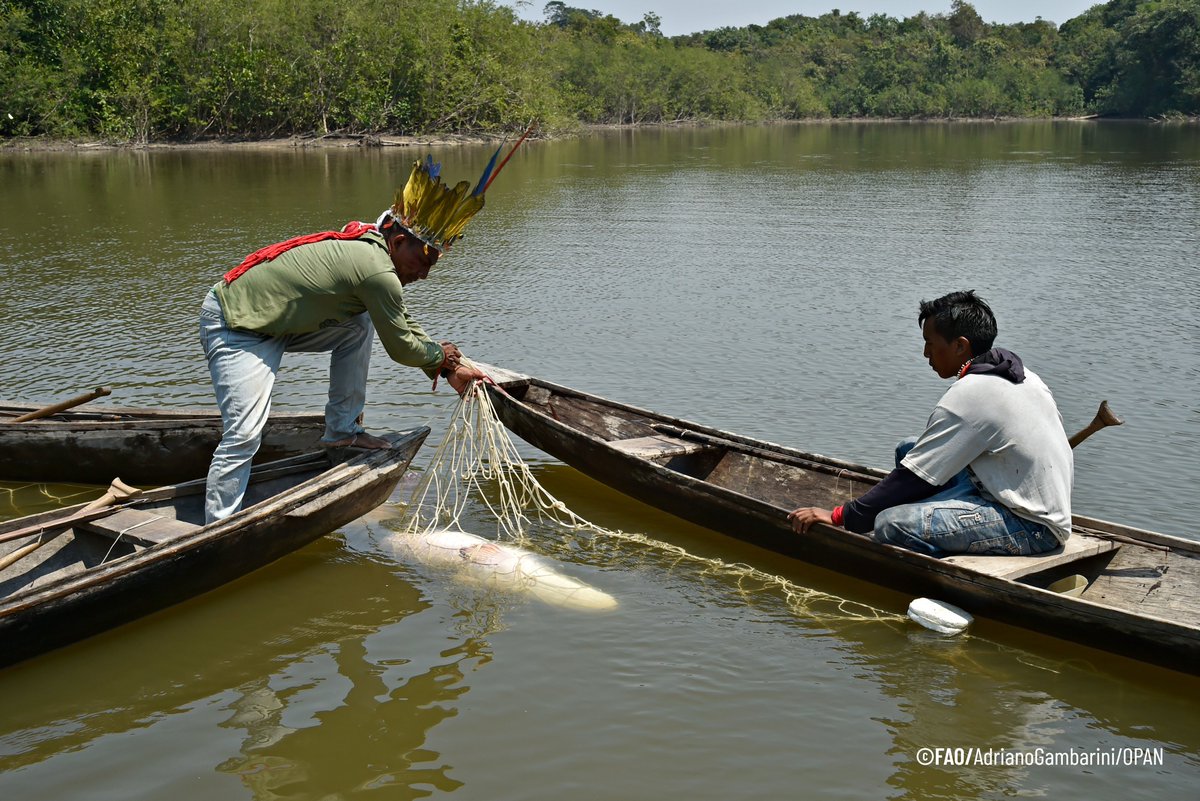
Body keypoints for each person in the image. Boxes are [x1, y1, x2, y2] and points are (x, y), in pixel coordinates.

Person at [199, 154, 502, 523]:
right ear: (399, 240)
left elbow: (399, 320)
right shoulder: (376, 270)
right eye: (422, 261)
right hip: (237, 324)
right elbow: (402, 346)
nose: (424, 273)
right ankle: (219, 524)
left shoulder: (375, 253)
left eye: (431, 265)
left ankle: (342, 432)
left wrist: (448, 368)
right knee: (245, 433)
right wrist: (440, 355)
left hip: (279, 323)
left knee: (358, 325)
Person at [788, 290, 1072, 557]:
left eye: (930, 344)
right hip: (1005, 490)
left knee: (889, 522)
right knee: (908, 450)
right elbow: (917, 467)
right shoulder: (1021, 375)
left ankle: (948, 567)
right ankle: (939, 519)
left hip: (1031, 526)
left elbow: (914, 478)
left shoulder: (971, 395)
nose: (926, 354)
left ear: (960, 346)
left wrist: (841, 516)